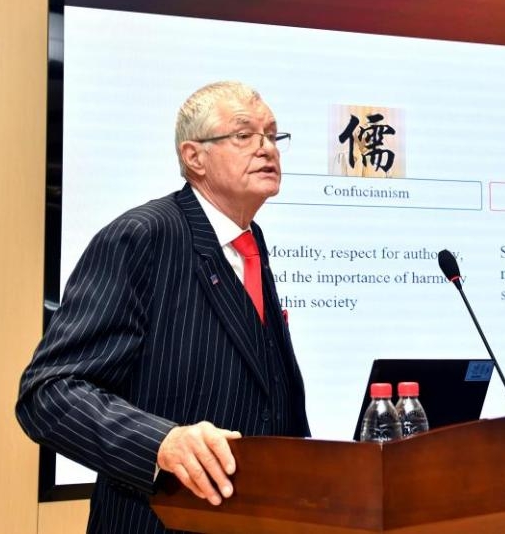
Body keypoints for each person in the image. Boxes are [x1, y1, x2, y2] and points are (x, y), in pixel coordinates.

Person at [16, 81, 310, 533]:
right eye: (244, 134)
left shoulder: (250, 242)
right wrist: (160, 443)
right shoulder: (143, 236)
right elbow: (49, 393)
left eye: (272, 135)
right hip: (157, 521)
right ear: (194, 157)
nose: (266, 148)